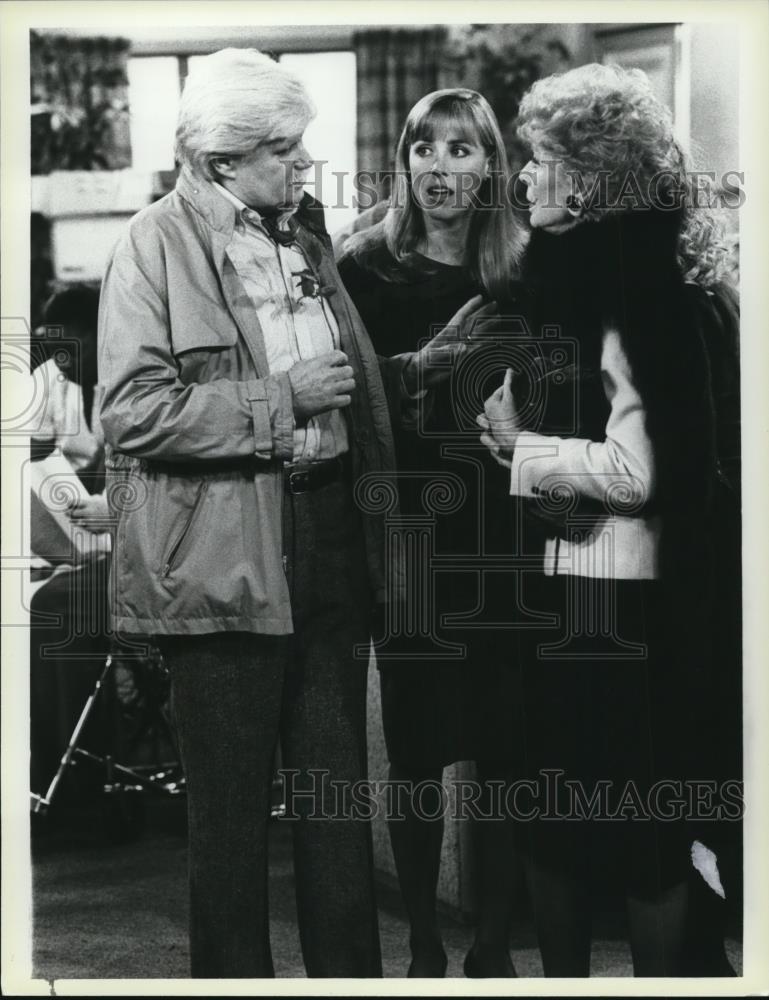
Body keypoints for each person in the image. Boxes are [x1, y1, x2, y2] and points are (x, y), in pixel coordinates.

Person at [97, 49, 490, 979]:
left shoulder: (304, 239)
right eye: (282, 149)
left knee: (336, 810)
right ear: (220, 160)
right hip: (225, 558)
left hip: (328, 543)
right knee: (230, 824)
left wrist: (413, 372)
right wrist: (278, 399)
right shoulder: (153, 245)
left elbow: (337, 391)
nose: (303, 164)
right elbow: (130, 412)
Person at [479, 63, 740, 976]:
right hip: (600, 592)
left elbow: (639, 473)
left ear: (587, 181)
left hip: (618, 605)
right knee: (576, 830)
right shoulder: (614, 277)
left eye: (541, 161)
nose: (522, 180)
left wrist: (520, 446)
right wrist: (524, 448)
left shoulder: (629, 292)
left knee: (616, 839)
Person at [338, 88, 528, 978]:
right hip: (408, 527)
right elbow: (338, 393)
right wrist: (424, 366)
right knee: (415, 750)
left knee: (503, 745)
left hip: (504, 529)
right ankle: (419, 938)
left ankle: (491, 939)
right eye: (425, 149)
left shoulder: (525, 266)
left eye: (461, 151)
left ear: (489, 164)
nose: (440, 168)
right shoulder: (362, 268)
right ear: (404, 159)